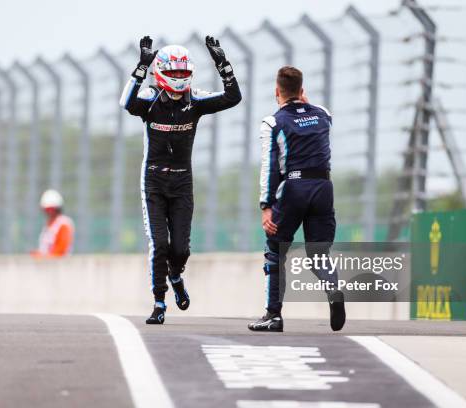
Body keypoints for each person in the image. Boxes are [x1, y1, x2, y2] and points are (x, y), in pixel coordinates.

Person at [121, 35, 242, 324]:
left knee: (181, 249)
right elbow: (127, 102)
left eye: (183, 73)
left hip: (182, 182)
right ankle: (159, 302)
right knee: (160, 244)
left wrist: (222, 63)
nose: (178, 78)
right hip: (152, 180)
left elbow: (232, 97)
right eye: (173, 72)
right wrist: (141, 66)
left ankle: (176, 275)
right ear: (161, 72)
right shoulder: (150, 99)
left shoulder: (195, 100)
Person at [248, 66, 345, 333]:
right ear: (303, 91)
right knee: (318, 253)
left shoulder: (273, 122)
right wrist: (305, 103)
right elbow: (314, 112)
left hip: (293, 189)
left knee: (275, 252)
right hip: (324, 188)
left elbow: (269, 167)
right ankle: (333, 288)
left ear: (277, 91)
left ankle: (273, 316)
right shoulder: (323, 115)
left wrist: (266, 206)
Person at [31, 189, 74, 258]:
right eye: (47, 209)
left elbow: (60, 252)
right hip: (47, 265)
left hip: (58, 266)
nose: (49, 212)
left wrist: (42, 257)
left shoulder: (63, 224)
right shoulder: (48, 225)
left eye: (52, 209)